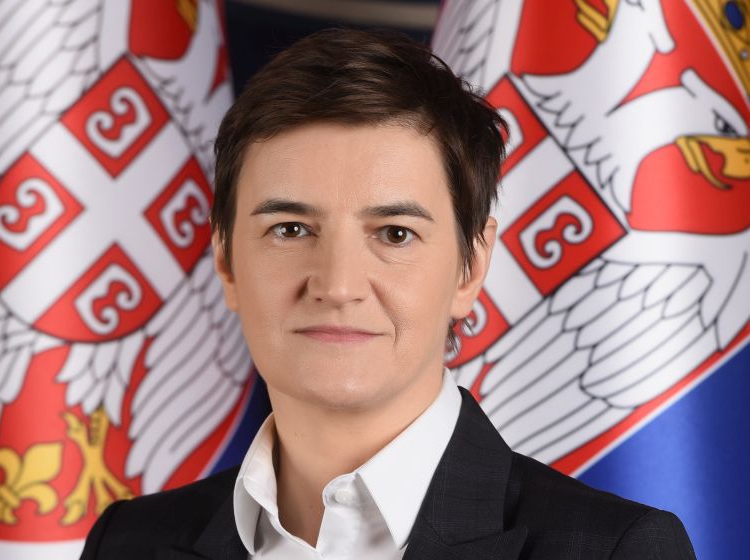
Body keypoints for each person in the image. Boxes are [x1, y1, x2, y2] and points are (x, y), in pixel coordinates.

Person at [80, 28, 696, 559]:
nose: (337, 286)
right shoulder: (128, 543)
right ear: (226, 261)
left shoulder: (613, 550)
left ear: (471, 267)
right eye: (290, 229)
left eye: (395, 233)